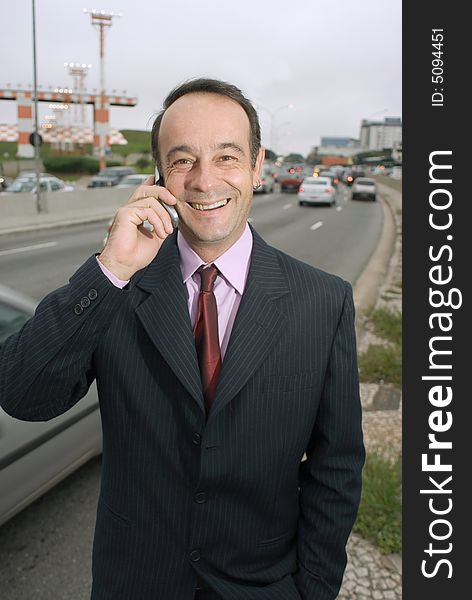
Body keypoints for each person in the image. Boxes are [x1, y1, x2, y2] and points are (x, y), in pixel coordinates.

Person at [0, 78, 365, 600]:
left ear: (258, 166)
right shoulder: (119, 288)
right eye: (182, 160)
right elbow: (21, 393)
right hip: (135, 584)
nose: (204, 181)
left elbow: (337, 469)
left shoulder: (324, 301)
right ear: (159, 176)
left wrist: (313, 590)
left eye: (226, 157)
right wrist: (110, 269)